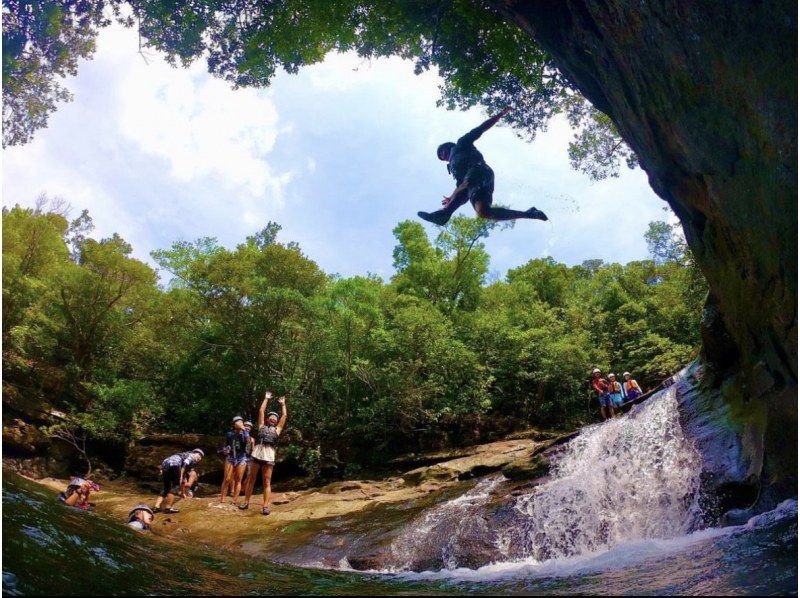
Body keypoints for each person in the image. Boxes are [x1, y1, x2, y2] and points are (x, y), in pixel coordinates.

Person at [418, 106, 549, 226]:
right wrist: (451, 198)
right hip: (475, 183)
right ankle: (529, 213)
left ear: (447, 147)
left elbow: (480, 129)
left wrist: (500, 114)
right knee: (483, 212)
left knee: (468, 183)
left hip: (480, 171)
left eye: (442, 154)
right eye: (442, 159)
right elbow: (461, 187)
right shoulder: (455, 169)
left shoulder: (461, 144)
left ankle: (444, 214)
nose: (444, 159)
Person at [239, 391, 288, 515]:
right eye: (271, 417)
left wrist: (283, 404)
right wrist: (266, 398)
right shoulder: (261, 426)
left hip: (269, 454)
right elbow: (261, 411)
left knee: (266, 481)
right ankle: (246, 502)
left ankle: (265, 506)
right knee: (251, 478)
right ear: (267, 419)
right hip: (257, 453)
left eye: (275, 418)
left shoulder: (278, 429)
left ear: (276, 421)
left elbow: (284, 416)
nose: (273, 418)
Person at [154, 448, 204, 513]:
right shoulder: (192, 456)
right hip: (175, 465)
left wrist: (183, 492)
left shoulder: (182, 454)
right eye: (200, 456)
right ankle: (168, 508)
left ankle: (156, 507)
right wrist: (180, 476)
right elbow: (184, 465)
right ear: (197, 454)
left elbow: (184, 474)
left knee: (166, 488)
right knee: (175, 487)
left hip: (165, 464)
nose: (199, 459)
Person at [219, 416, 250, 506]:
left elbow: (248, 441)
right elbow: (225, 446)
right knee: (227, 478)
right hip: (230, 457)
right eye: (237, 422)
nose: (239, 423)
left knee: (238, 479)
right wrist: (225, 450)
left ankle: (234, 501)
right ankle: (222, 499)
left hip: (242, 457)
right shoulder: (229, 434)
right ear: (234, 424)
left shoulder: (245, 433)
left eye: (241, 421)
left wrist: (244, 429)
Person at [241, 420, 255, 491]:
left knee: (250, 473)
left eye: (249, 427)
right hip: (239, 456)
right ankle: (232, 490)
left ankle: (242, 488)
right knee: (236, 474)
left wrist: (252, 444)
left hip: (248, 457)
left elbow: (253, 450)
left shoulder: (252, 438)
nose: (248, 428)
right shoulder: (239, 435)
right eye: (246, 426)